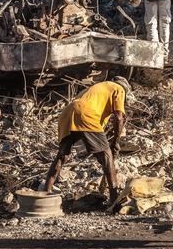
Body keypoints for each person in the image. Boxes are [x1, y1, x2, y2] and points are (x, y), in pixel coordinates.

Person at [44, 77, 133, 205]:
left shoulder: (97, 88)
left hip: (67, 112)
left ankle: (45, 194)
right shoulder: (119, 89)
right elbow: (119, 118)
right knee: (107, 157)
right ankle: (114, 201)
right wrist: (115, 142)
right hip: (86, 114)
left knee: (62, 156)